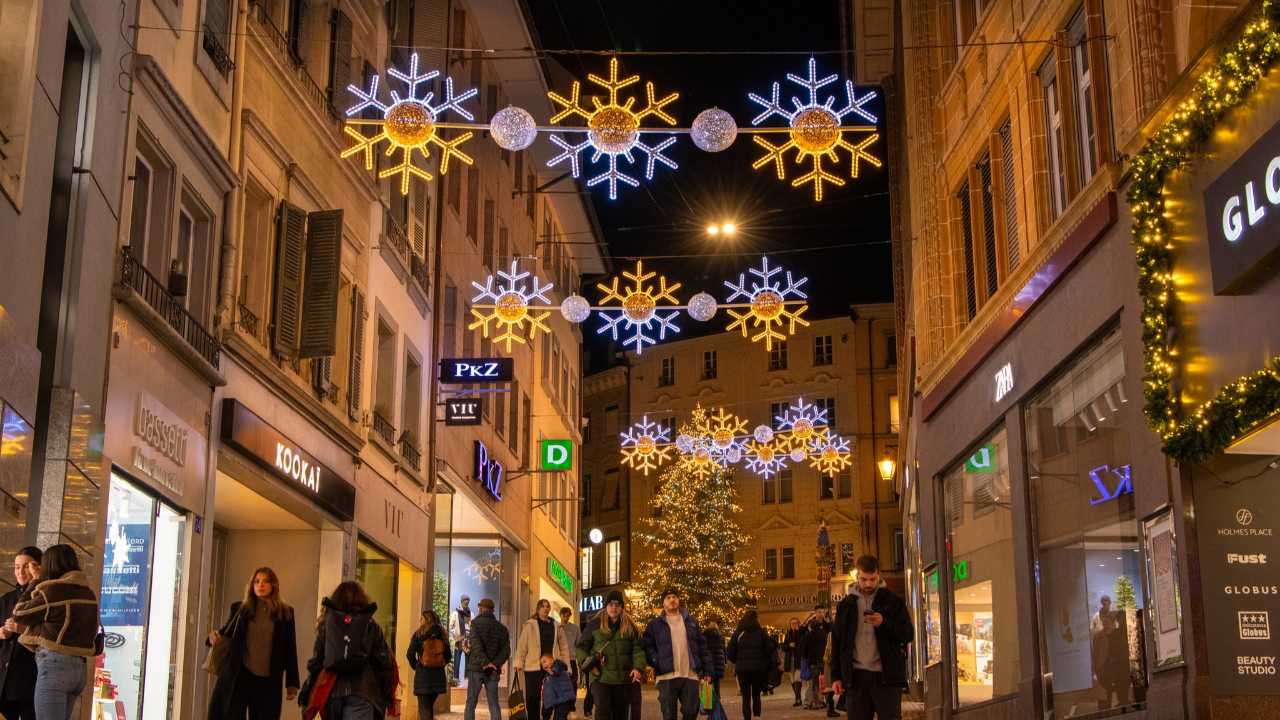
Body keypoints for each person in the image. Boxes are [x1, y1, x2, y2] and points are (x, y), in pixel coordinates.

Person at [11, 544, 99, 720]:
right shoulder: (88, 593)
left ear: (50, 564)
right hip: (79, 671)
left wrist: (35, 581)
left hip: (55, 666)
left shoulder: (53, 590)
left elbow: (19, 613)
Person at [207, 567, 301, 720]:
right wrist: (213, 637)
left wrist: (292, 683)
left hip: (267, 679)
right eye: (256, 582)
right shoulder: (240, 609)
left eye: (265, 581)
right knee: (232, 715)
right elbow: (226, 632)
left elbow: (290, 648)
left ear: (273, 585)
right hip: (239, 675)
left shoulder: (285, 613)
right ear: (252, 585)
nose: (260, 585)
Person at [830, 556, 913, 720]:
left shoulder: (893, 601)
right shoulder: (845, 606)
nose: (868, 584)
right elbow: (838, 643)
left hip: (887, 678)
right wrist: (836, 676)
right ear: (857, 576)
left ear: (879, 575)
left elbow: (908, 633)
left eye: (873, 579)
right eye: (864, 579)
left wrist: (884, 623)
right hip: (857, 679)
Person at [301, 581, 394, 719]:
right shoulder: (371, 627)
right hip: (363, 693)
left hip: (330, 694)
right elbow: (385, 664)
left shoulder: (326, 627)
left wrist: (306, 694)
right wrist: (384, 695)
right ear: (363, 599)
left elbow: (315, 663)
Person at [642, 588, 714, 720]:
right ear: (663, 603)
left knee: (691, 712)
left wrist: (708, 671)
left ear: (679, 600)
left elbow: (703, 647)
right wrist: (656, 660)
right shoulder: (654, 625)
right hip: (666, 677)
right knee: (669, 715)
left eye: (674, 597)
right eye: (668, 598)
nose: (672, 600)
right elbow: (647, 646)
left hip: (689, 675)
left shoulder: (691, 622)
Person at [576, 590, 646, 720]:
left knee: (621, 714)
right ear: (606, 606)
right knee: (603, 712)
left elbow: (638, 649)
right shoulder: (594, 624)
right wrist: (587, 663)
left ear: (621, 607)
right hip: (600, 677)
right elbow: (581, 648)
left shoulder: (630, 626)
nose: (614, 608)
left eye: (617, 605)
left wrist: (638, 668)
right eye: (611, 605)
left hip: (623, 680)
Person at [0, 547, 41, 720]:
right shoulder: (6, 599)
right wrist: (1, 633)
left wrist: (25, 631)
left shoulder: (44, 597)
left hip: (31, 682)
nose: (21, 572)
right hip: (4, 682)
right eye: (17, 567)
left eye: (26, 566)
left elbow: (53, 635)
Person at [514, 599, 572, 720]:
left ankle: (547, 716)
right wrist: (518, 662)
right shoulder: (530, 625)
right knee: (532, 697)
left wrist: (567, 666)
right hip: (533, 666)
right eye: (543, 606)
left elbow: (564, 648)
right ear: (538, 609)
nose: (545, 608)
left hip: (552, 666)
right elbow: (522, 645)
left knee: (551, 694)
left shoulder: (556, 626)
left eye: (547, 606)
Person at [464, 598, 509, 720]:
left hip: (476, 668)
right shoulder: (502, 628)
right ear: (492, 611)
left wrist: (486, 663)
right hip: (493, 671)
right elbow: (506, 651)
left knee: (471, 703)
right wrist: (493, 664)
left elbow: (475, 645)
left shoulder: (475, 624)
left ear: (481, 609)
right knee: (494, 704)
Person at [726, 610, 777, 720]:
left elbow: (730, 651)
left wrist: (738, 661)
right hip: (758, 668)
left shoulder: (738, 632)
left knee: (746, 697)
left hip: (742, 669)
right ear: (756, 618)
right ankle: (757, 717)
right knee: (756, 695)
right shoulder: (761, 632)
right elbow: (769, 650)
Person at [408, 610, 452, 720]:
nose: (420, 620)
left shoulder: (419, 634)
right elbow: (448, 655)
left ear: (427, 620)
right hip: (438, 675)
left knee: (423, 707)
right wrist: (439, 663)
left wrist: (417, 666)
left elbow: (410, 654)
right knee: (429, 706)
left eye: (421, 618)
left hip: (423, 675)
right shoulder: (442, 634)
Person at [799, 618, 828, 710]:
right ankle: (826, 701)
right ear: (821, 626)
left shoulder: (808, 637)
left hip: (813, 662)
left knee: (815, 683)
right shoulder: (825, 635)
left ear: (811, 627)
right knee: (825, 682)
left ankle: (815, 703)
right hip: (823, 661)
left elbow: (803, 651)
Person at [558, 608, 581, 713]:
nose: (565, 618)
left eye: (567, 616)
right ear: (560, 616)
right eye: (564, 616)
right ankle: (560, 706)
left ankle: (571, 707)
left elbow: (579, 645)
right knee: (558, 684)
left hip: (571, 659)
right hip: (559, 660)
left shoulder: (575, 629)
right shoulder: (556, 627)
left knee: (572, 684)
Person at [540, 653, 576, 720]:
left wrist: (552, 671)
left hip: (565, 700)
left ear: (551, 660)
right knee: (558, 717)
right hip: (560, 701)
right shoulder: (548, 675)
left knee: (559, 717)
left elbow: (556, 669)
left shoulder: (557, 666)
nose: (543, 664)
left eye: (544, 661)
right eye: (542, 664)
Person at [450, 596, 473, 685]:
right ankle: (455, 679)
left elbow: (473, 626)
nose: (466, 602)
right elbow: (450, 627)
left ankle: (466, 680)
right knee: (457, 659)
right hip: (458, 640)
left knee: (468, 659)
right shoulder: (456, 613)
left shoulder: (471, 614)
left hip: (467, 640)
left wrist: (470, 635)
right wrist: (456, 634)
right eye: (465, 600)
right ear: (462, 601)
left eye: (468, 600)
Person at [783, 618, 805, 707]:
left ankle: (798, 698)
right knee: (792, 679)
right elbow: (783, 647)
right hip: (790, 658)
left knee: (797, 678)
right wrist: (788, 645)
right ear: (790, 624)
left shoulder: (801, 632)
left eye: (796, 623)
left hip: (798, 658)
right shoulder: (788, 634)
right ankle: (797, 697)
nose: (794, 625)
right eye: (792, 623)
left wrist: (797, 632)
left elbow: (802, 642)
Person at [703, 619, 727, 701]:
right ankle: (718, 698)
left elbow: (704, 650)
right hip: (719, 662)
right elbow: (724, 651)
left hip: (709, 662)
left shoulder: (706, 637)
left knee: (708, 681)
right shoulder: (721, 637)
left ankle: (707, 702)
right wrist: (725, 662)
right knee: (716, 681)